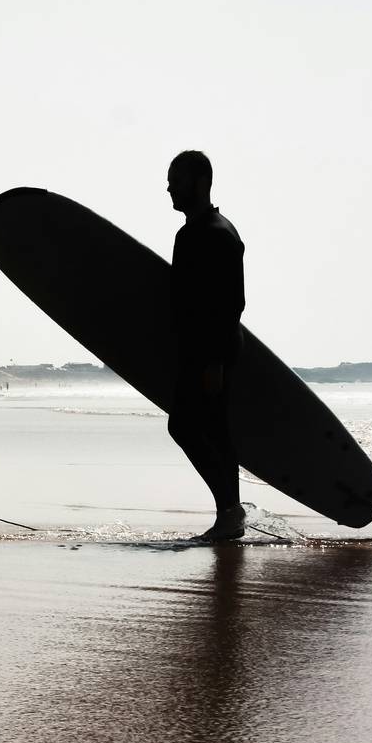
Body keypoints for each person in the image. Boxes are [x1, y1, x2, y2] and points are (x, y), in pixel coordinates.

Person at [165, 151, 247, 541]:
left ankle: (230, 512)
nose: (168, 188)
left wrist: (214, 361)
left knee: (191, 427)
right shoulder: (194, 232)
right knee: (210, 430)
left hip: (212, 352)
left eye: (175, 180)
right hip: (198, 350)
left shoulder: (215, 233)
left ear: (199, 183)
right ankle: (228, 515)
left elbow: (232, 302)